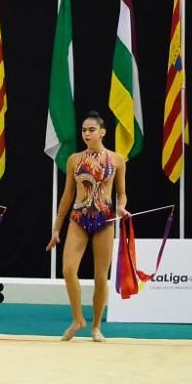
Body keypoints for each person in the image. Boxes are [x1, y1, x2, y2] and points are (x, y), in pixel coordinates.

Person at [46, 111, 127, 342]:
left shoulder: (117, 160)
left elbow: (122, 194)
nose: (86, 134)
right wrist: (56, 228)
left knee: (101, 276)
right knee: (68, 269)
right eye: (84, 130)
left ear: (102, 132)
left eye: (91, 130)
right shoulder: (74, 160)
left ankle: (96, 326)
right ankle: (78, 319)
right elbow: (67, 195)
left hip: (105, 219)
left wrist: (121, 208)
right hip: (78, 218)